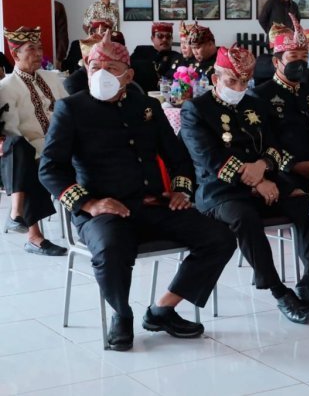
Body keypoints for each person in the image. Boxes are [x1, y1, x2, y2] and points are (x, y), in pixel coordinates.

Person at [38, 31, 236, 351]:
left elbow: (178, 157)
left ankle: (163, 309)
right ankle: (121, 314)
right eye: (93, 67)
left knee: (220, 237)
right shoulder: (71, 109)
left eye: (111, 68)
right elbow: (49, 169)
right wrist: (88, 203)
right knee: (113, 246)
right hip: (103, 210)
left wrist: (180, 191)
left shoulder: (146, 106)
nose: (101, 74)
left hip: (152, 204)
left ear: (128, 75)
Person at [180, 46, 309, 323]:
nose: (238, 87)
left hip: (265, 182)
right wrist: (257, 182)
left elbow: (273, 148)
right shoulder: (195, 109)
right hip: (219, 191)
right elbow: (209, 158)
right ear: (215, 79)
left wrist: (263, 168)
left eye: (244, 82)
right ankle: (279, 291)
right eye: (231, 81)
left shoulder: (255, 104)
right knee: (245, 217)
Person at [0, 27, 68, 256]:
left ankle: (18, 216)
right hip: (30, 146)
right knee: (28, 154)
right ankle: (34, 235)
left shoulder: (52, 78)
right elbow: (11, 128)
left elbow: (70, 111)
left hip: (62, 141)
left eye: (40, 48)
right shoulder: (7, 87)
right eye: (31, 49)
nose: (39, 53)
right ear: (15, 54)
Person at [254, 14, 309, 193]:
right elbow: (263, 142)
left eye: (304, 57)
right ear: (276, 61)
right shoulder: (260, 96)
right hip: (283, 174)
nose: (300, 62)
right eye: (293, 56)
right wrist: (294, 165)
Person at [129, 22, 183, 91]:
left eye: (168, 36)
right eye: (160, 36)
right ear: (152, 38)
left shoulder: (177, 57)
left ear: (171, 39)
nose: (164, 39)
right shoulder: (141, 52)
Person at [55, 1, 69, 69]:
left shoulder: (56, 7)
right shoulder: (57, 7)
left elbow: (62, 36)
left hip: (53, 56)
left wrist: (58, 59)